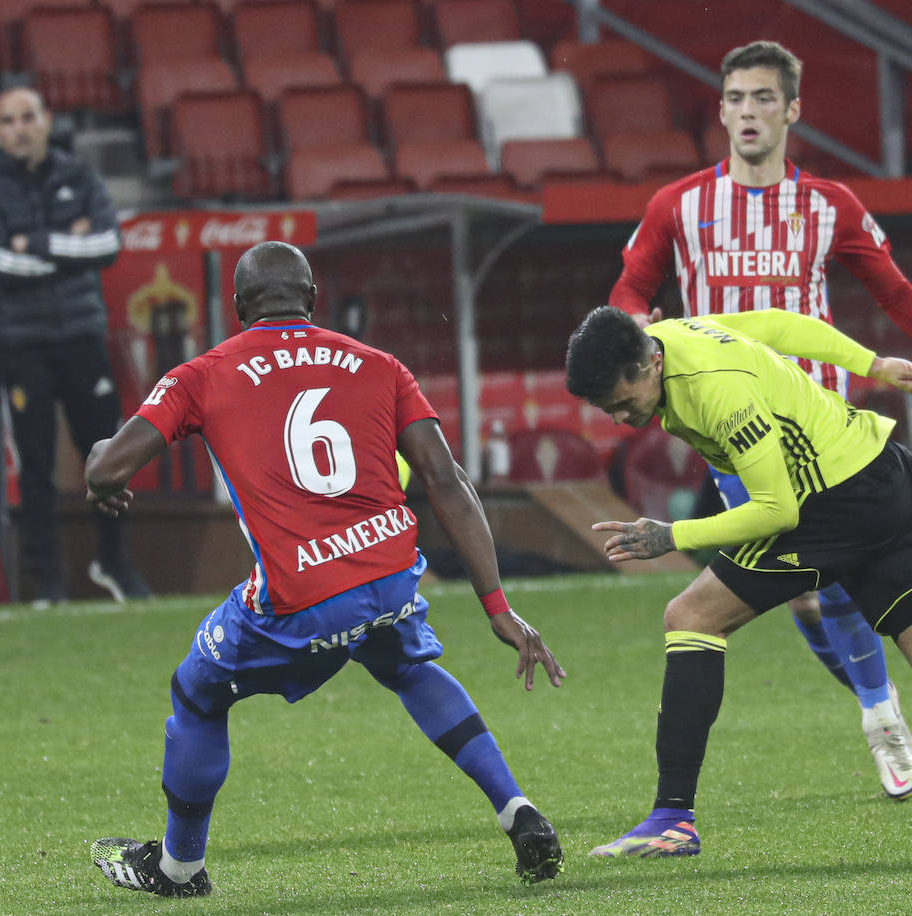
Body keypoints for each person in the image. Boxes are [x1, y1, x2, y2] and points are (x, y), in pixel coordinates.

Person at [85, 242, 566, 897]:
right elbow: (446, 480)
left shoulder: (203, 373)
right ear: (313, 299)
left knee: (196, 694)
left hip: (302, 594)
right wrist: (497, 605)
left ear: (237, 308)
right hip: (391, 572)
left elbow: (109, 469)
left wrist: (96, 464)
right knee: (407, 665)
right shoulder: (380, 365)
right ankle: (518, 810)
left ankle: (179, 868)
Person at [566, 305, 912, 858]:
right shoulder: (672, 335)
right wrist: (872, 363)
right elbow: (782, 326)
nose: (618, 418)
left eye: (620, 402)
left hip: (834, 503)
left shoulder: (717, 393)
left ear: (648, 367)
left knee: (690, 617)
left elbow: (777, 510)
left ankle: (671, 820)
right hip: (888, 472)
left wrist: (672, 535)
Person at [608, 39, 912, 802]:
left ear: (792, 110)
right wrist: (636, 336)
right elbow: (628, 289)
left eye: (763, 99)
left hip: (823, 422)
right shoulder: (678, 205)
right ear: (719, 111)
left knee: (829, 584)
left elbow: (892, 287)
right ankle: (880, 710)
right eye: (736, 100)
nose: (748, 113)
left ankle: (883, 705)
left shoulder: (829, 205)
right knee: (810, 592)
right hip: (732, 428)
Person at [0, 86, 149, 606]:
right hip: (20, 342)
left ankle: (113, 564)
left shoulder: (80, 176)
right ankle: (47, 582)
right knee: (36, 463)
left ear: (46, 121)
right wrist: (70, 247)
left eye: (28, 117)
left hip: (81, 335)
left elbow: (108, 245)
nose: (19, 128)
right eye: (7, 120)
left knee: (110, 454)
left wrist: (38, 244)